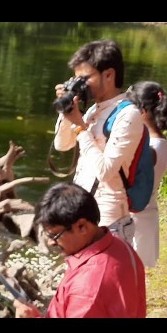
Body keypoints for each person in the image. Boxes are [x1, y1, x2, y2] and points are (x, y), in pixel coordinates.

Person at [53, 39, 144, 243]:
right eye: (76, 79)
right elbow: (62, 145)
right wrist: (66, 110)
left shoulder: (128, 114)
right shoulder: (94, 109)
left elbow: (105, 171)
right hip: (81, 217)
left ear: (109, 74)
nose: (80, 85)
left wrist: (79, 126)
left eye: (84, 78)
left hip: (109, 223)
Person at [13, 182, 146, 318]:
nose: (50, 242)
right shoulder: (120, 246)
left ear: (82, 226)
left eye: (55, 235)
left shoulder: (85, 290)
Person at [125, 81, 167, 268]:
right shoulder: (162, 142)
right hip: (148, 212)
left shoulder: (150, 149)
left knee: (131, 269)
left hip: (138, 217)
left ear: (142, 111)